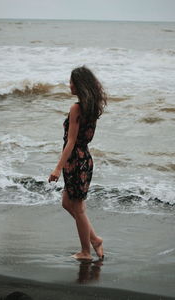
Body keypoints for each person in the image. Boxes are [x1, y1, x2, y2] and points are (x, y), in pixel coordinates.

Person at [48, 66, 108, 260]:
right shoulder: (91, 107)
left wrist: (57, 168)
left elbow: (71, 142)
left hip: (76, 161)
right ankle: (95, 239)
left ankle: (86, 252)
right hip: (84, 159)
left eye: (72, 81)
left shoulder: (76, 108)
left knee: (78, 208)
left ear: (80, 84)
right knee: (68, 203)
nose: (70, 85)